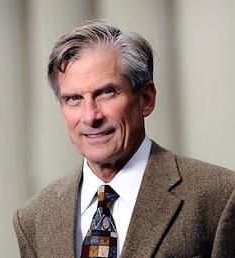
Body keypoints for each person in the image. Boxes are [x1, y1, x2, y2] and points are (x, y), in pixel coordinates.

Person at [13, 21, 235, 258]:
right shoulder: (34, 218)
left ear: (146, 99)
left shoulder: (220, 197)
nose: (90, 116)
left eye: (107, 92)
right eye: (74, 99)